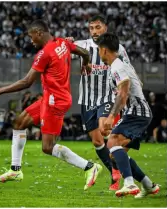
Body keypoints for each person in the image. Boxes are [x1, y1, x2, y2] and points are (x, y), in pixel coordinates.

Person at [0, 20, 102, 191]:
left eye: (31, 37)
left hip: (55, 101)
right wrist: (86, 63)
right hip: (51, 97)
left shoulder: (45, 53)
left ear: (39, 33)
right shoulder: (63, 42)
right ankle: (15, 170)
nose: (31, 41)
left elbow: (27, 82)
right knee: (19, 122)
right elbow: (84, 52)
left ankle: (90, 167)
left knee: (47, 147)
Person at [68, 16, 129, 190]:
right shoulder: (83, 45)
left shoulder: (119, 49)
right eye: (91, 28)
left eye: (98, 27)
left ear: (105, 28)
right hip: (87, 99)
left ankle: (119, 163)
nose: (94, 31)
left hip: (107, 97)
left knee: (104, 128)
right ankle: (114, 172)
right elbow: (63, 46)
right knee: (97, 141)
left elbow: (127, 71)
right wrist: (67, 42)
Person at [98, 33, 159, 198]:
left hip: (137, 112)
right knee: (116, 154)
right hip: (136, 111)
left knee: (112, 142)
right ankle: (148, 185)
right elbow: (139, 83)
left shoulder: (117, 66)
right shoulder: (121, 65)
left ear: (103, 50)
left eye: (98, 50)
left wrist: (111, 116)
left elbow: (123, 93)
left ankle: (129, 183)